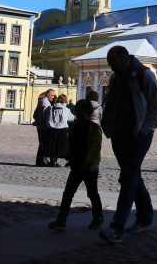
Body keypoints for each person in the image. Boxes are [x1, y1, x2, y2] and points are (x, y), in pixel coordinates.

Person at [98, 45, 157, 244]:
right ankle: (145, 217)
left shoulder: (144, 74)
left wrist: (143, 130)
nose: (112, 68)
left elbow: (156, 105)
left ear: (125, 59)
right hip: (119, 134)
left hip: (138, 136)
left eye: (114, 64)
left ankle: (117, 228)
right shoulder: (117, 76)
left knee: (128, 178)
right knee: (133, 176)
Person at [47, 99, 105, 232]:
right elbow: (70, 143)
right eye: (77, 111)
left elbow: (95, 149)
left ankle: (98, 217)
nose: (79, 113)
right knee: (67, 194)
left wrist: (88, 162)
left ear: (88, 113)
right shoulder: (74, 127)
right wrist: (68, 155)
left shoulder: (95, 129)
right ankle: (61, 220)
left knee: (92, 193)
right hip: (76, 165)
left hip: (89, 167)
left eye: (82, 111)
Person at [46, 94, 74, 167]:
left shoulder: (52, 108)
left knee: (52, 145)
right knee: (58, 146)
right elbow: (70, 118)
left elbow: (48, 117)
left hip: (52, 129)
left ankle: (51, 160)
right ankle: (55, 160)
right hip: (62, 129)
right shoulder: (66, 109)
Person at [34, 88, 56, 166]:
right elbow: (45, 116)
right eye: (52, 95)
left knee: (42, 143)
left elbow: (35, 113)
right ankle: (40, 161)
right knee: (43, 144)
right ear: (48, 95)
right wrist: (39, 122)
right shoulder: (46, 103)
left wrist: (36, 121)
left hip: (40, 126)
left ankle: (41, 160)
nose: (53, 97)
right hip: (44, 127)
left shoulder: (41, 101)